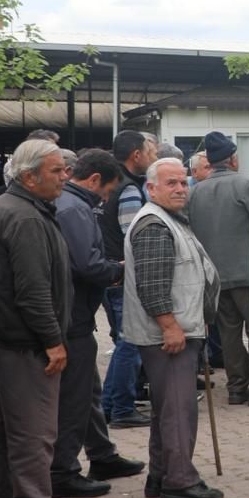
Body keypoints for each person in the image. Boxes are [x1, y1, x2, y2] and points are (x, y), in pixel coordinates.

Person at [0, 139, 88, 498]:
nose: (65, 177)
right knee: (34, 428)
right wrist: (53, 340)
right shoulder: (26, 218)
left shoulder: (6, 206)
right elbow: (33, 290)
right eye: (56, 171)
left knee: (7, 425)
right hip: (21, 342)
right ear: (29, 177)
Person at [121, 157, 224, 498]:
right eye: (171, 183)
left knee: (168, 408)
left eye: (183, 182)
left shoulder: (169, 219)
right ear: (151, 188)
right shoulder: (154, 224)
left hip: (178, 329)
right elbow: (152, 286)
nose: (181, 189)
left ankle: (160, 475)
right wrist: (170, 326)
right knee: (179, 410)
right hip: (168, 335)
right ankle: (180, 482)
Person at [51, 149, 144, 498]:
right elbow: (86, 264)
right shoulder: (74, 208)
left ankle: (102, 454)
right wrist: (119, 271)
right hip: (72, 314)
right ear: (93, 180)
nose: (106, 200)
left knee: (88, 392)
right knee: (75, 398)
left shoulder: (71, 203)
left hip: (76, 313)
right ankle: (63, 471)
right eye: (106, 193)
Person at [188, 131, 249, 406]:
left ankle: (236, 388)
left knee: (229, 333)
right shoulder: (246, 184)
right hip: (248, 273)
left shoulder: (195, 191)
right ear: (233, 159)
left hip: (215, 277)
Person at [100, 130, 158, 429]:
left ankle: (108, 405)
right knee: (131, 343)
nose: (153, 155)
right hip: (123, 278)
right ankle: (121, 407)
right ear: (136, 155)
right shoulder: (130, 190)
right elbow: (135, 237)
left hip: (110, 274)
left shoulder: (113, 184)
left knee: (126, 342)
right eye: (150, 150)